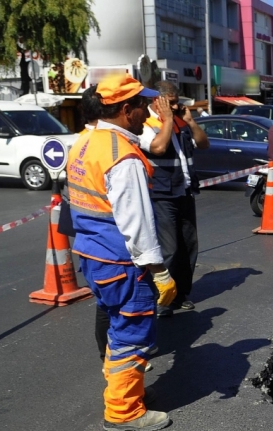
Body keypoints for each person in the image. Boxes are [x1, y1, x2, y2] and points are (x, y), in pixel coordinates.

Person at [67, 73, 176, 431]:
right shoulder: (123, 157)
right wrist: (160, 272)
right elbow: (138, 225)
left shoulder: (85, 142)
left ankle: (126, 392)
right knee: (132, 334)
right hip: (122, 262)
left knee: (117, 330)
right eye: (142, 104)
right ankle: (124, 412)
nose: (147, 109)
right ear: (126, 110)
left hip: (93, 256)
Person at [138, 81, 209, 318]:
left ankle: (181, 294)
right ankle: (162, 299)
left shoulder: (180, 120)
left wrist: (189, 121)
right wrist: (168, 120)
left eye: (177, 101)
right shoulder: (146, 124)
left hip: (185, 190)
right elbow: (157, 149)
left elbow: (203, 143)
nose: (176, 106)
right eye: (170, 103)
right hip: (162, 193)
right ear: (155, 101)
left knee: (189, 245)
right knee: (169, 248)